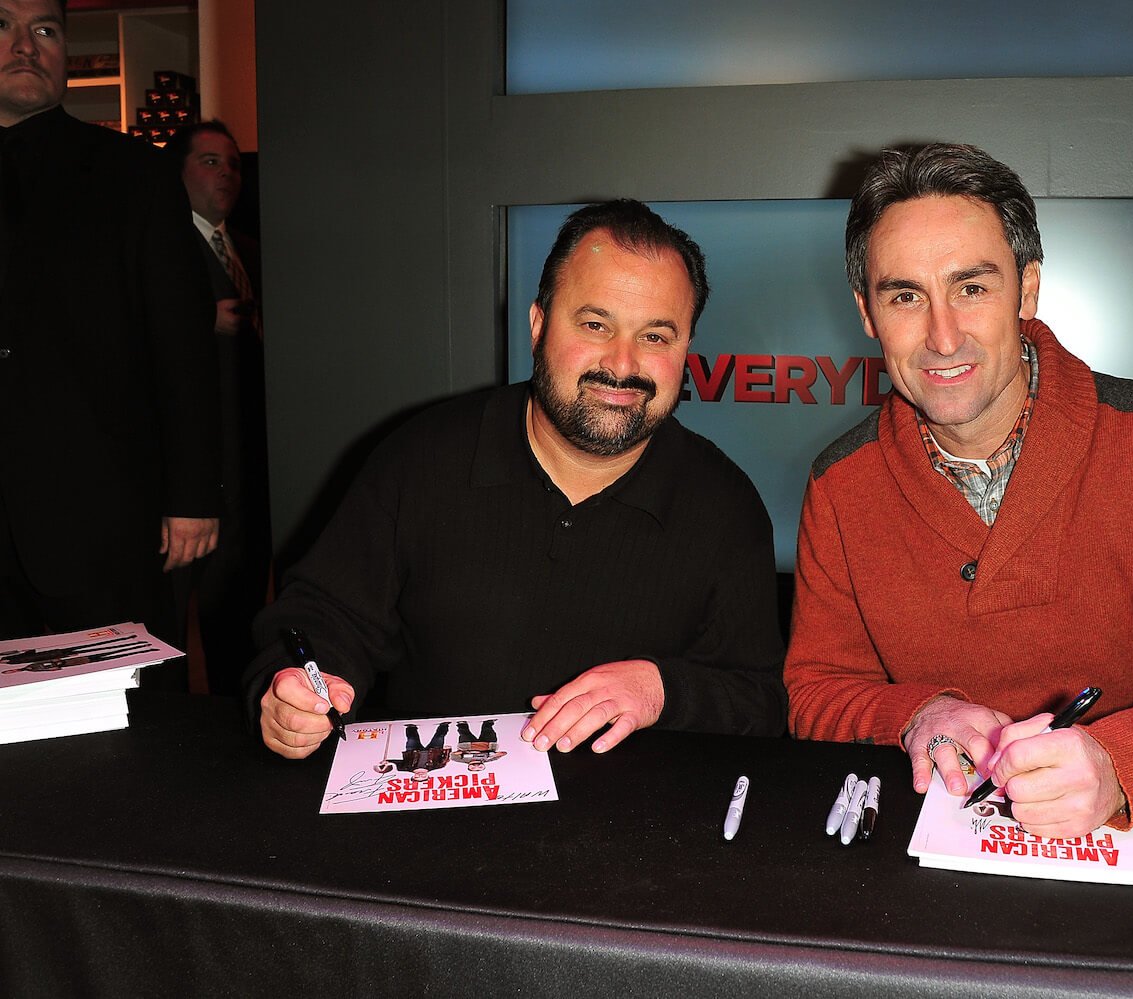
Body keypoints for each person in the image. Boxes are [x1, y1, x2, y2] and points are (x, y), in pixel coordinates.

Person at [784, 143, 1133, 837]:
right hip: (926, 855)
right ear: (868, 313)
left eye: (972, 287)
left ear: (1026, 289)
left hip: (1131, 844)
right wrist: (915, 714)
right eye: (906, 295)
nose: (942, 334)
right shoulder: (840, 483)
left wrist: (1118, 762)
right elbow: (816, 692)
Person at [249, 199, 786, 759]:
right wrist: (292, 694)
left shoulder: (726, 506)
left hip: (633, 833)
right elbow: (321, 620)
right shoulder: (422, 457)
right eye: (595, 324)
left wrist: (664, 691)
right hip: (428, 823)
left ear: (686, 351)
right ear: (538, 325)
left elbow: (761, 702)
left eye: (656, 336)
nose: (623, 364)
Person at [0, 0, 219, 647]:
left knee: (136, 721)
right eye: (3, 26)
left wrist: (193, 492)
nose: (25, 45)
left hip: (103, 518)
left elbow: (182, 341)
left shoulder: (135, 175)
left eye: (44, 30)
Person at [164, 120, 271, 694]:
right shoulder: (159, 249)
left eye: (232, 163)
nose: (226, 174)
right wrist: (198, 322)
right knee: (172, 623)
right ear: (178, 171)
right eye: (209, 162)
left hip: (250, 465)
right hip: (188, 467)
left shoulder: (252, 249)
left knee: (241, 608)